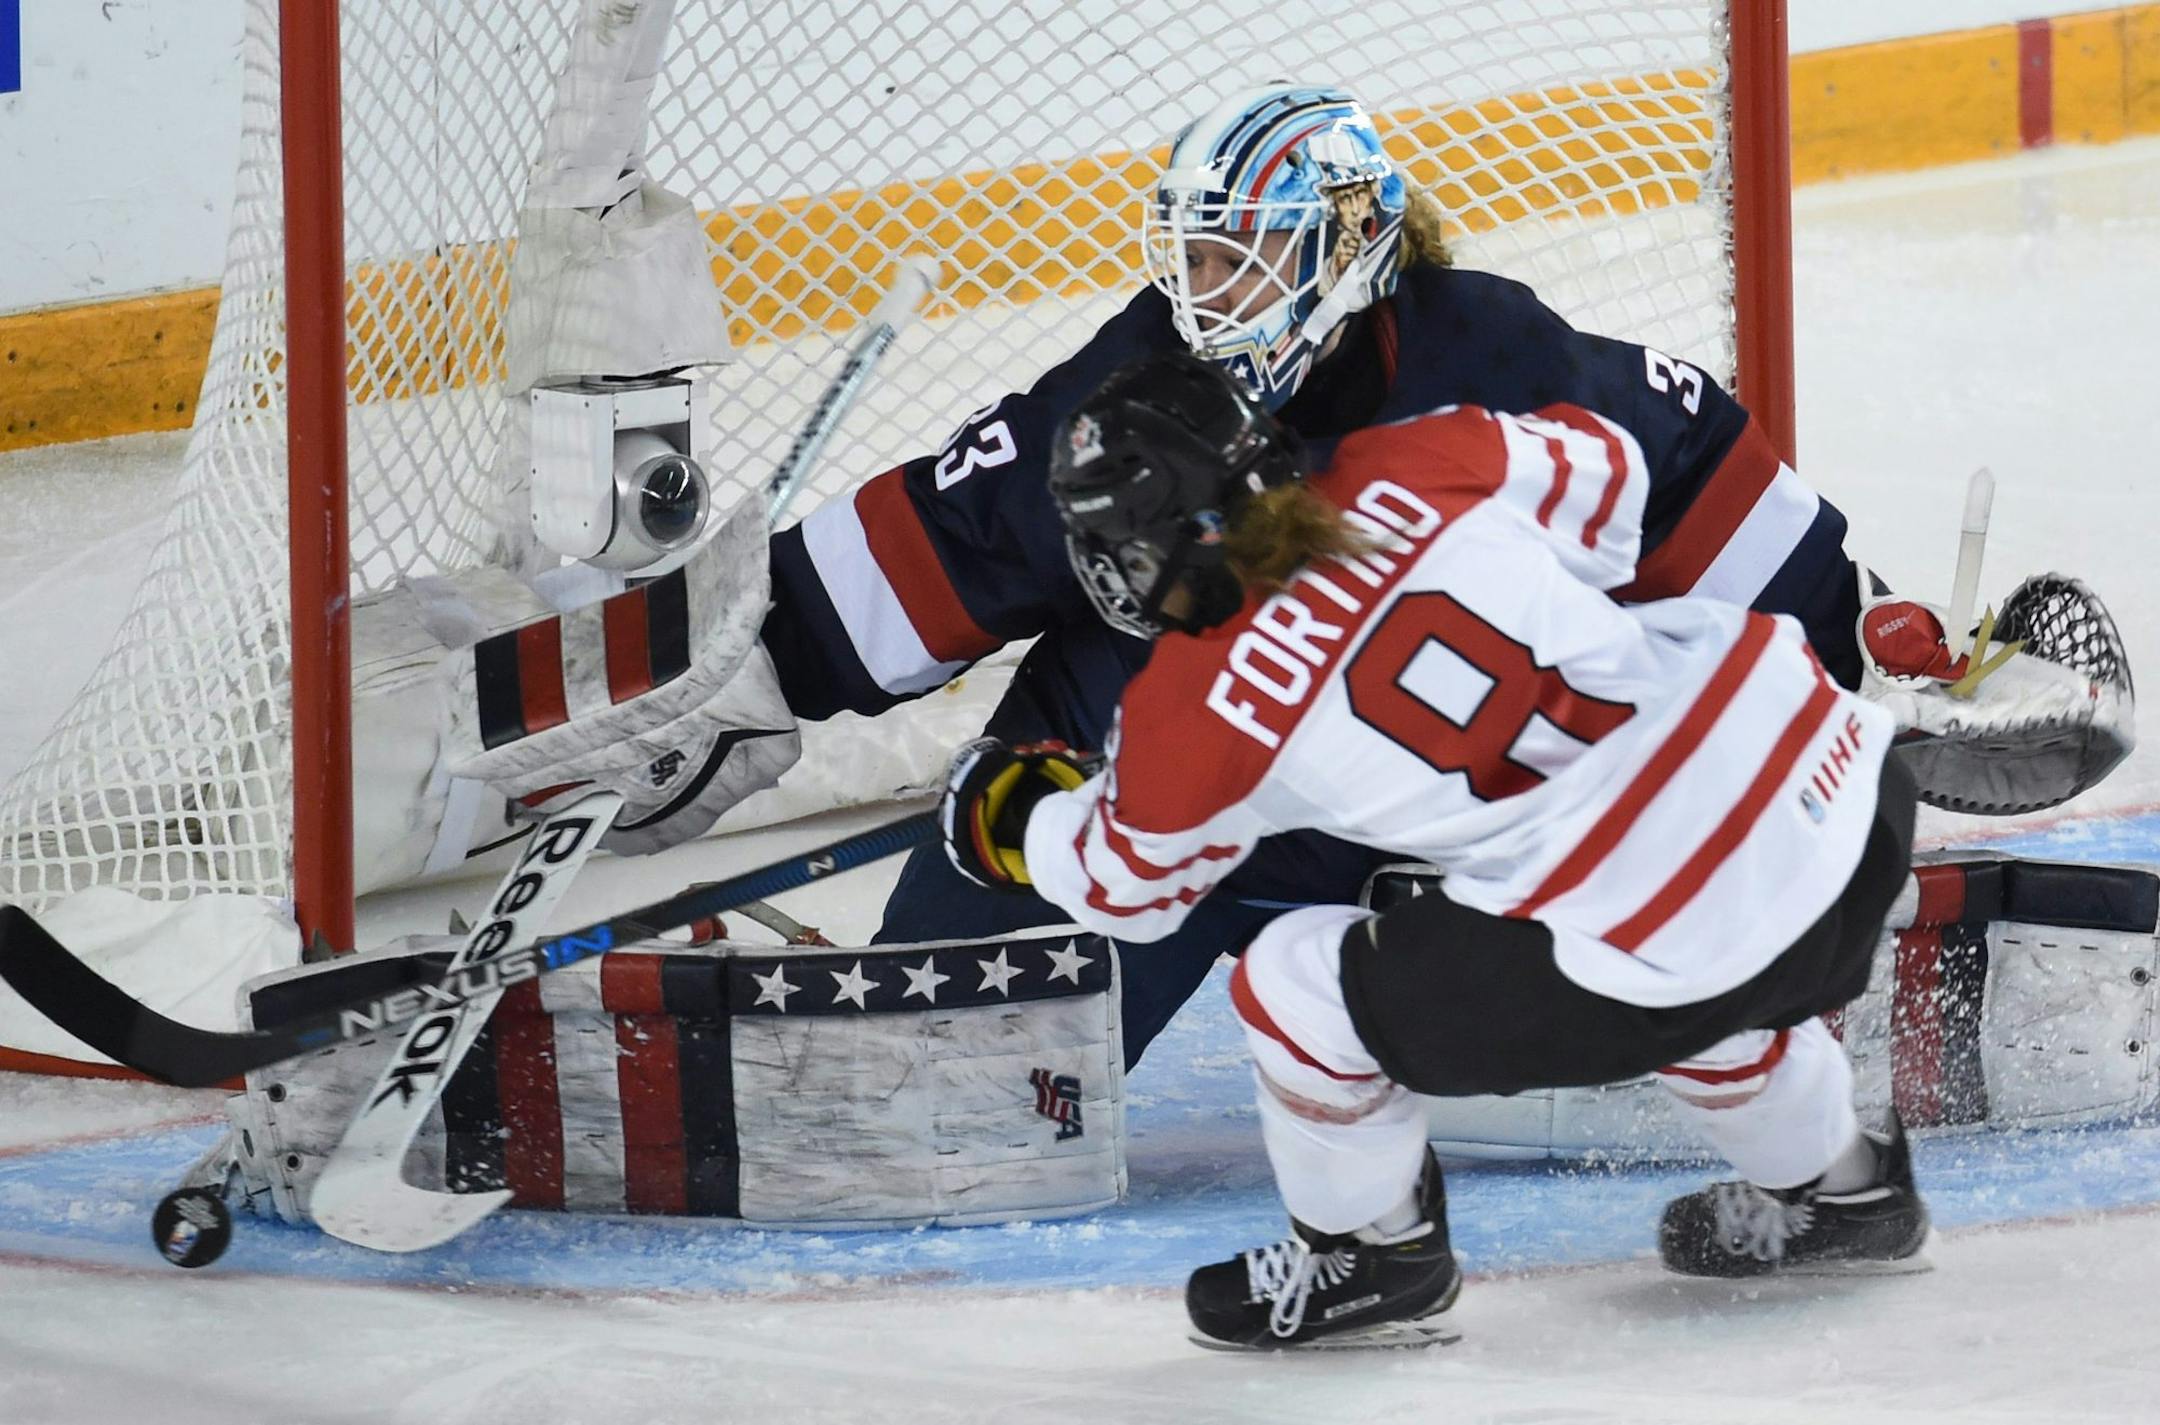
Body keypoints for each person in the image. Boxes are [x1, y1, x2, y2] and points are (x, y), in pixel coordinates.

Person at [938, 353, 1933, 1349]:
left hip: (1676, 933)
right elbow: (1612, 479)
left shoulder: (1192, 704)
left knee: (1296, 982)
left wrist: (1013, 814)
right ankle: (1848, 1191)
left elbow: (1125, 889)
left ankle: (1368, 1253)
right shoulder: (1425, 452)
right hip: (1848, 798)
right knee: (1670, 930)